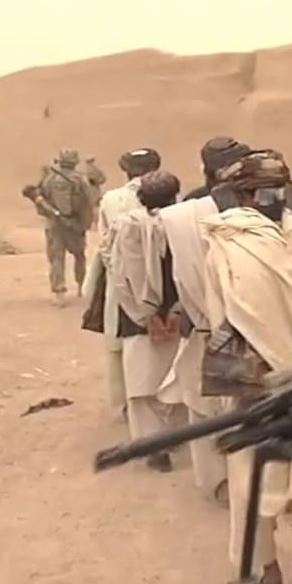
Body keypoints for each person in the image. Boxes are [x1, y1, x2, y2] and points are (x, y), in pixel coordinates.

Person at [200, 148, 292, 584]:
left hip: (254, 382)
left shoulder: (227, 242)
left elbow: (219, 321)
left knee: (251, 475)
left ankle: (270, 575)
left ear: (243, 194)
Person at [155, 139, 243, 503]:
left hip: (203, 324)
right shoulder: (263, 206)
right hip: (249, 323)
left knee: (203, 403)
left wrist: (168, 308)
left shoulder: (185, 211)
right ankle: (244, 479)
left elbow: (168, 267)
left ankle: (219, 480)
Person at [109, 169, 186, 472]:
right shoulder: (185, 224)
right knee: (176, 376)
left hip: (138, 318)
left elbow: (120, 276)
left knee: (143, 384)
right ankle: (175, 436)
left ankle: (154, 446)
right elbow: (192, 270)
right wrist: (178, 309)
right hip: (180, 315)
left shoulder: (126, 226)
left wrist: (145, 314)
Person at [82, 148, 162, 420]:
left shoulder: (111, 199)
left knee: (121, 341)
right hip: (160, 279)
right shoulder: (169, 194)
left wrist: (118, 273)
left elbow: (105, 244)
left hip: (120, 280)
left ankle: (129, 402)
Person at [36, 148, 94, 306]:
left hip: (54, 225)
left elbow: (41, 199)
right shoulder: (80, 179)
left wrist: (50, 213)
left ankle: (59, 291)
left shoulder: (49, 179)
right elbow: (88, 202)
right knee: (79, 256)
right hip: (75, 224)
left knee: (56, 258)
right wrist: (85, 224)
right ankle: (81, 286)